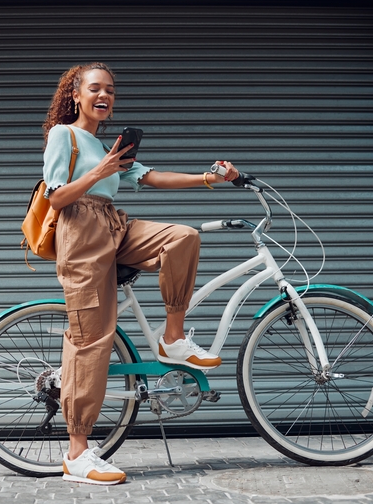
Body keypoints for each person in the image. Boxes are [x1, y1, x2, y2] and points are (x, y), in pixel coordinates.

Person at [42, 62, 240, 485]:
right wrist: (99, 172)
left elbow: (152, 177)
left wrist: (210, 179)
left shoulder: (109, 146)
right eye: (95, 88)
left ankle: (172, 338)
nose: (105, 96)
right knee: (91, 340)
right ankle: (77, 453)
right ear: (75, 94)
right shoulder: (65, 136)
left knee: (181, 237)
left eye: (110, 90)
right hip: (80, 235)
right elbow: (55, 198)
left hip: (113, 224)